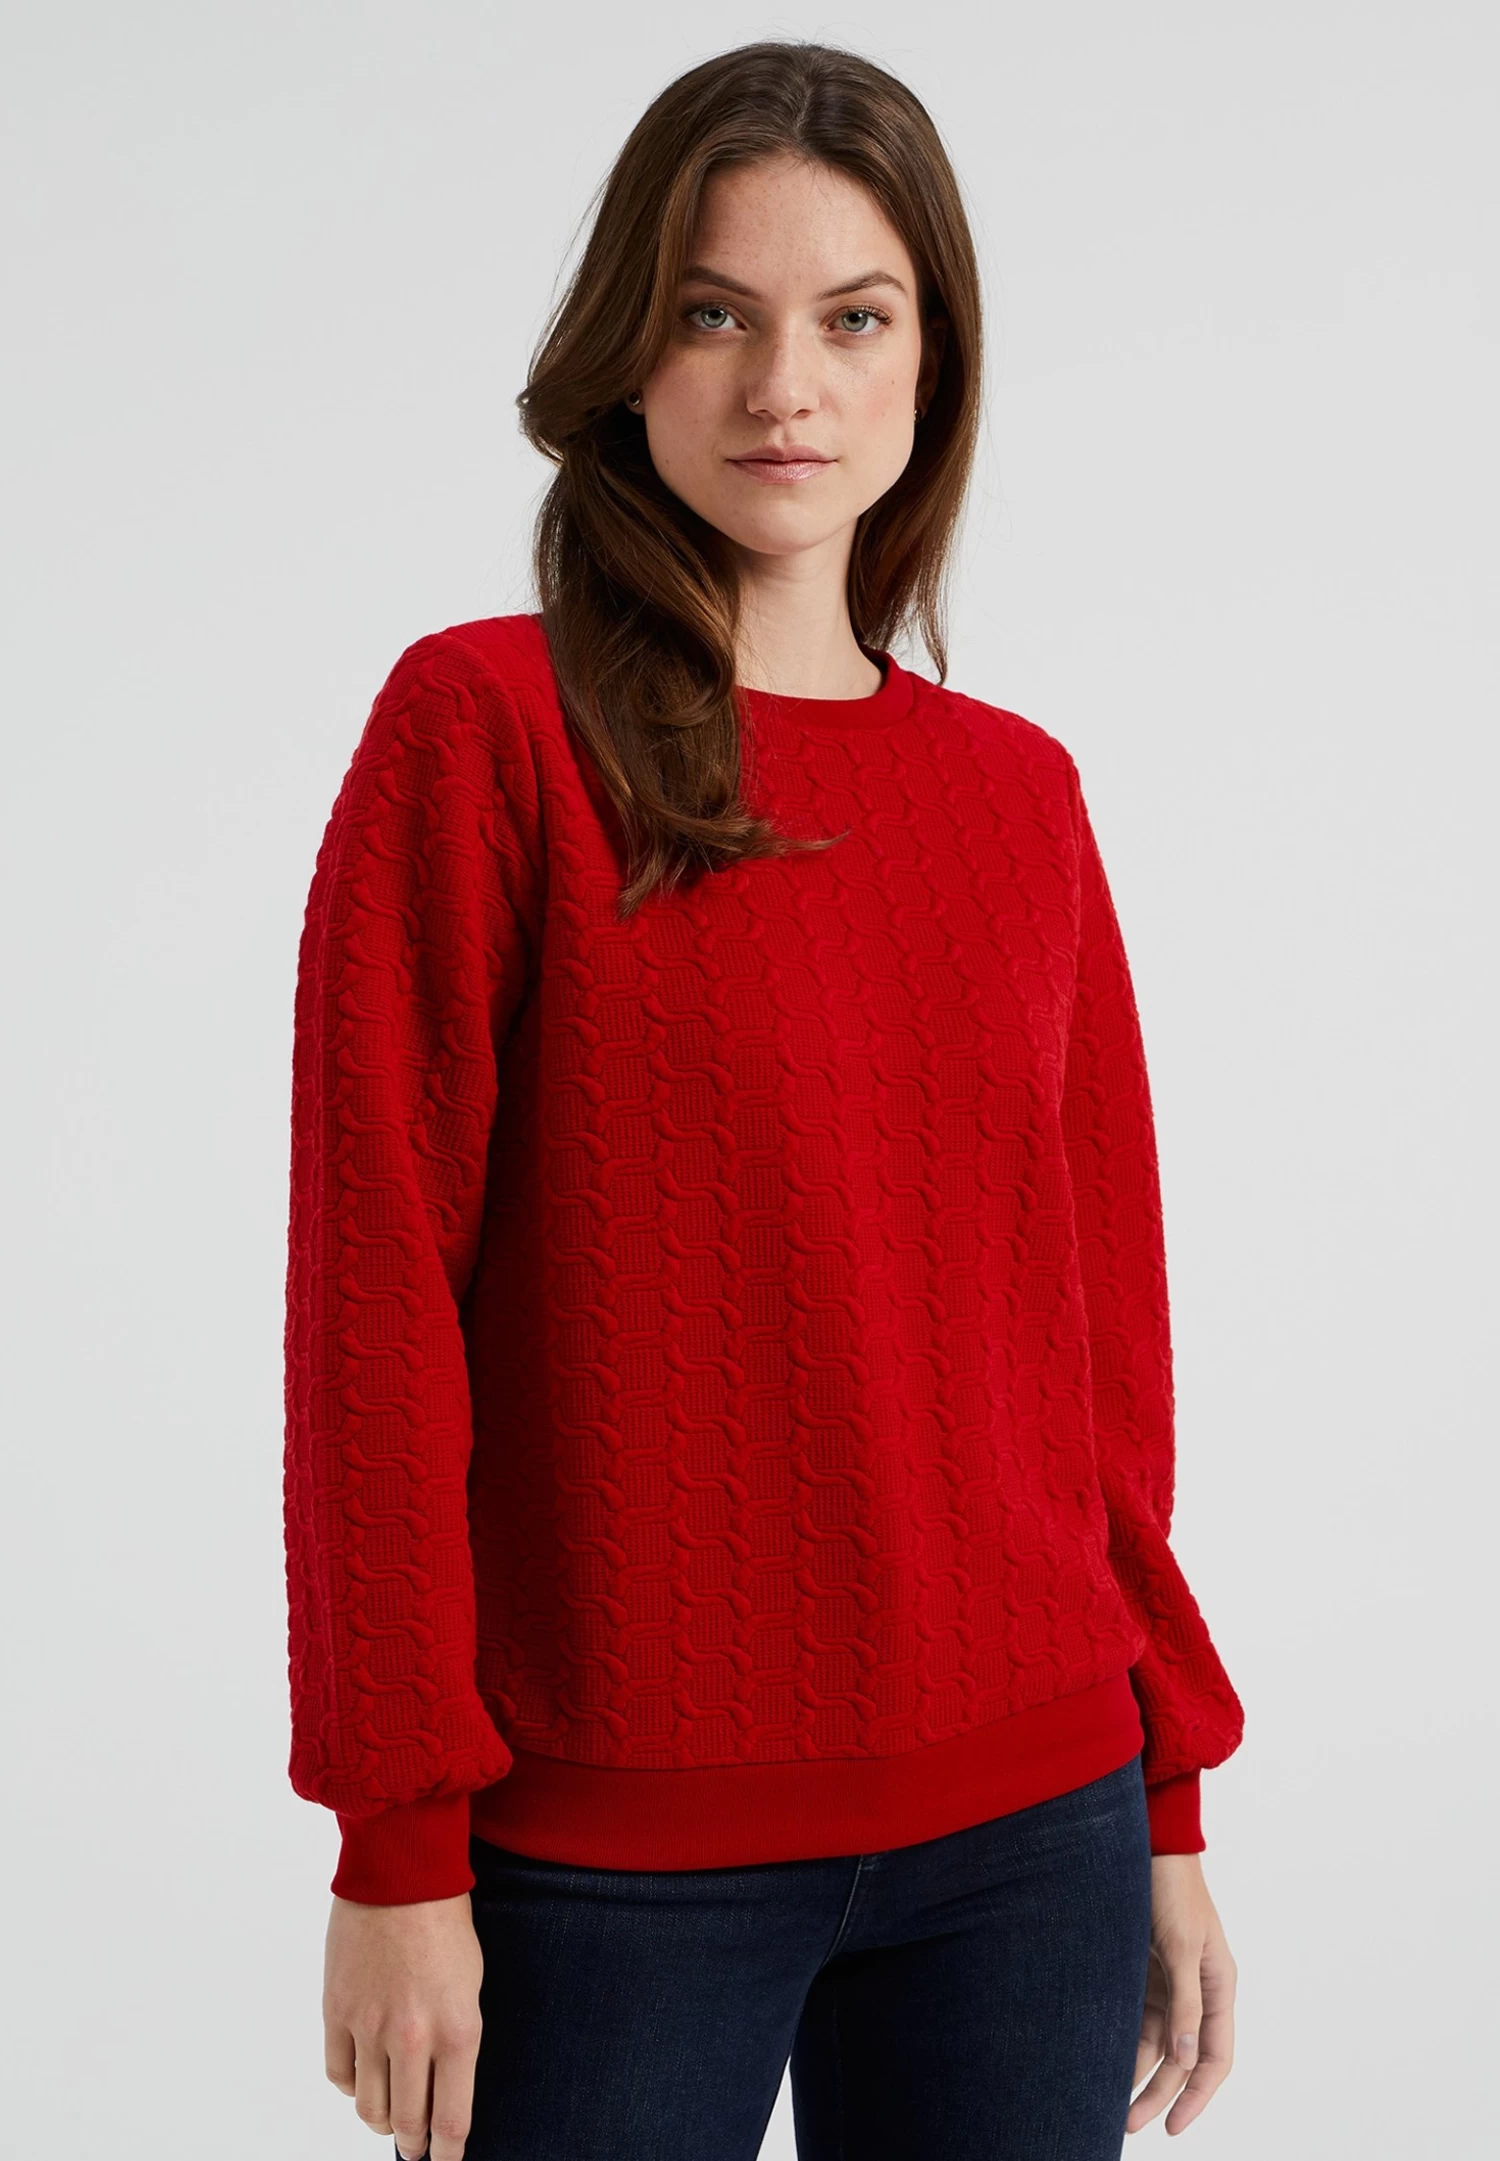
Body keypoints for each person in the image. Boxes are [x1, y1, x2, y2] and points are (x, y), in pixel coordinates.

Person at [281, 38, 1245, 2161]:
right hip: (609, 1858)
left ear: (933, 360)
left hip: (1036, 1828)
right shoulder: (485, 732)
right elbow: (376, 1312)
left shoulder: (1019, 797)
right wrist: (395, 1843)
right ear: (628, 352)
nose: (784, 386)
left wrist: (1166, 1794)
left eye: (854, 318)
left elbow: (1101, 1344)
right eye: (716, 312)